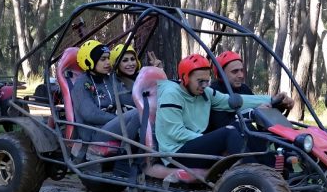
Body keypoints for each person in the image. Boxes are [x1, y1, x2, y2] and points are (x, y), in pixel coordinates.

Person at [155, 54, 293, 169]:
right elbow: (175, 132)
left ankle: (272, 166)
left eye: (206, 81)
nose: (204, 85)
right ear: (185, 78)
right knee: (229, 131)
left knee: (242, 126)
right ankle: (255, 174)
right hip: (176, 154)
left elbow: (232, 101)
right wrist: (209, 140)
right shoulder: (171, 94)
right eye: (200, 81)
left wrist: (272, 99)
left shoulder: (205, 92)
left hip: (194, 146)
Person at [71, 40, 140, 146]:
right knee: (137, 114)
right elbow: (90, 114)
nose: (108, 62)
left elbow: (128, 98)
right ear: (89, 61)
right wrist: (119, 119)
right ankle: (125, 162)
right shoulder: (81, 84)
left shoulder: (109, 79)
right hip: (93, 132)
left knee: (144, 112)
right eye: (103, 59)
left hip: (109, 125)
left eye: (108, 58)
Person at [208, 50, 253, 130]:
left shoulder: (244, 89)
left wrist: (278, 104)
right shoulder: (213, 92)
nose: (241, 75)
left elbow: (258, 105)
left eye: (241, 70)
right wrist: (251, 114)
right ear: (221, 74)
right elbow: (224, 126)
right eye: (235, 71)